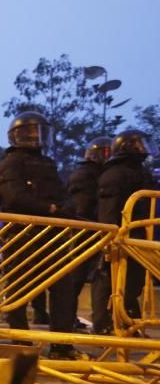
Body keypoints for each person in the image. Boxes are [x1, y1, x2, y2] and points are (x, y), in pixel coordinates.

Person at [0, 111, 81, 359]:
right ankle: (21, 341)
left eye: (38, 131)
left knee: (63, 288)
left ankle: (61, 344)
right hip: (21, 234)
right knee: (20, 290)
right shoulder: (9, 163)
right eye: (29, 132)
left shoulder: (48, 163)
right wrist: (50, 209)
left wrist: (68, 207)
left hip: (52, 237)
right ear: (15, 136)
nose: (34, 137)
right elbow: (14, 197)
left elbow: (61, 193)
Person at [95, 129, 158, 332]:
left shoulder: (140, 172)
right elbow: (109, 210)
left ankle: (123, 321)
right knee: (110, 283)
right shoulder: (114, 174)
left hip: (138, 238)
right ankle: (103, 324)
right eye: (137, 144)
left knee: (132, 284)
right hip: (121, 237)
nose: (142, 149)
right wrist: (110, 238)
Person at [68, 136, 111, 333]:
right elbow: (83, 205)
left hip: (86, 231)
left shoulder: (90, 173)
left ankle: (68, 318)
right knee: (76, 278)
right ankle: (67, 319)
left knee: (80, 277)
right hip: (84, 232)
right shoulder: (87, 175)